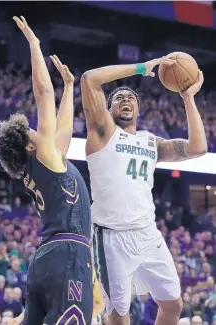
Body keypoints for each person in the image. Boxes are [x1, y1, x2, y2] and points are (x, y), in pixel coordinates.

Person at [80, 57, 207, 325]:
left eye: (131, 98)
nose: (126, 100)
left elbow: (197, 148)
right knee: (118, 317)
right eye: (118, 98)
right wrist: (141, 68)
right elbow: (89, 79)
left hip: (148, 234)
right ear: (109, 108)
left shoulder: (151, 142)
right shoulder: (102, 132)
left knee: (173, 306)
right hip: (111, 238)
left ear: (138, 110)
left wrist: (188, 97)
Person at [0, 16, 93, 325]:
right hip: (68, 253)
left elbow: (64, 132)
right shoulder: (44, 156)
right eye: (33, 133)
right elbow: (42, 94)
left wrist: (70, 87)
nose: (39, 131)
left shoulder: (41, 165)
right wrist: (35, 45)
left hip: (45, 258)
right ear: (29, 147)